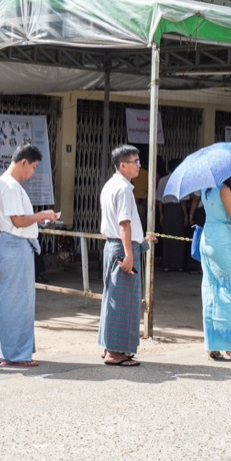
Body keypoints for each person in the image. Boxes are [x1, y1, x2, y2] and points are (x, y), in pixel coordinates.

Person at [0, 144, 59, 367]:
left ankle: (3, 350)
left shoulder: (10, 184)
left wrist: (38, 218)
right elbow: (17, 220)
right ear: (24, 162)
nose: (33, 172)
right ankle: (14, 354)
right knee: (16, 301)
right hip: (16, 245)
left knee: (9, 299)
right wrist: (41, 215)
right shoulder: (9, 185)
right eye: (34, 167)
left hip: (17, 245)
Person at [98, 144, 153, 367]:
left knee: (113, 298)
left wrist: (141, 238)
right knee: (123, 302)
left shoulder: (112, 185)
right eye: (135, 162)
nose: (139, 166)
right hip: (123, 248)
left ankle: (109, 346)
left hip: (115, 246)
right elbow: (123, 223)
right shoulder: (122, 189)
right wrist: (130, 253)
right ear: (123, 165)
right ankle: (114, 352)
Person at [199, 178, 231, 361]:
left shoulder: (205, 188)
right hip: (221, 239)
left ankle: (212, 343)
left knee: (211, 290)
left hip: (207, 236)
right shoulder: (224, 189)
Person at [159, 159, 190, 272]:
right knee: (179, 237)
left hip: (167, 209)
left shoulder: (162, 180)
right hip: (177, 210)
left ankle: (166, 264)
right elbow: (183, 201)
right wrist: (186, 215)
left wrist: (161, 214)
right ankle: (178, 265)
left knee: (167, 237)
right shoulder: (181, 180)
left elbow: (159, 199)